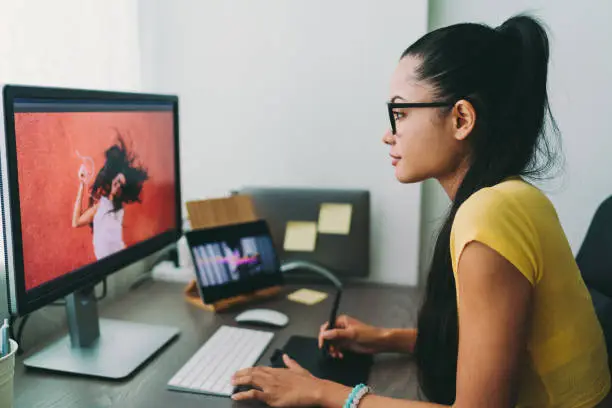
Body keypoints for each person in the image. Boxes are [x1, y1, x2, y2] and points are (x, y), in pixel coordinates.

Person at [230, 14, 612, 408]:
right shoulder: (514, 196)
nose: (387, 132)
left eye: (400, 113)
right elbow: (497, 343)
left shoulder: (489, 215)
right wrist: (384, 338)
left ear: (461, 119)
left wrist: (324, 392)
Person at [72, 135, 149, 260]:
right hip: (106, 265)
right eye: (118, 181)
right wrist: (82, 184)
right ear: (113, 180)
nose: (118, 186)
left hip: (118, 263)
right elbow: (76, 222)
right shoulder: (101, 206)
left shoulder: (119, 210)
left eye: (121, 186)